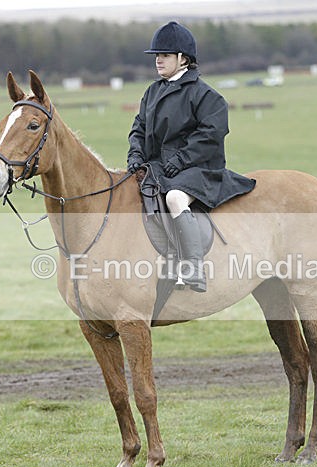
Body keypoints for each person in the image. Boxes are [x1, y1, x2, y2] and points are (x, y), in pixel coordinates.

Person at [127, 21, 256, 293]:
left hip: (199, 169)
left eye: (164, 55)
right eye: (156, 55)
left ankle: (194, 268)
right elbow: (139, 127)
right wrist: (136, 154)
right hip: (161, 168)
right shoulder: (152, 92)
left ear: (183, 58)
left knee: (175, 198)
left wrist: (181, 159)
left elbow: (211, 135)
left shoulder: (207, 96)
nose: (158, 60)